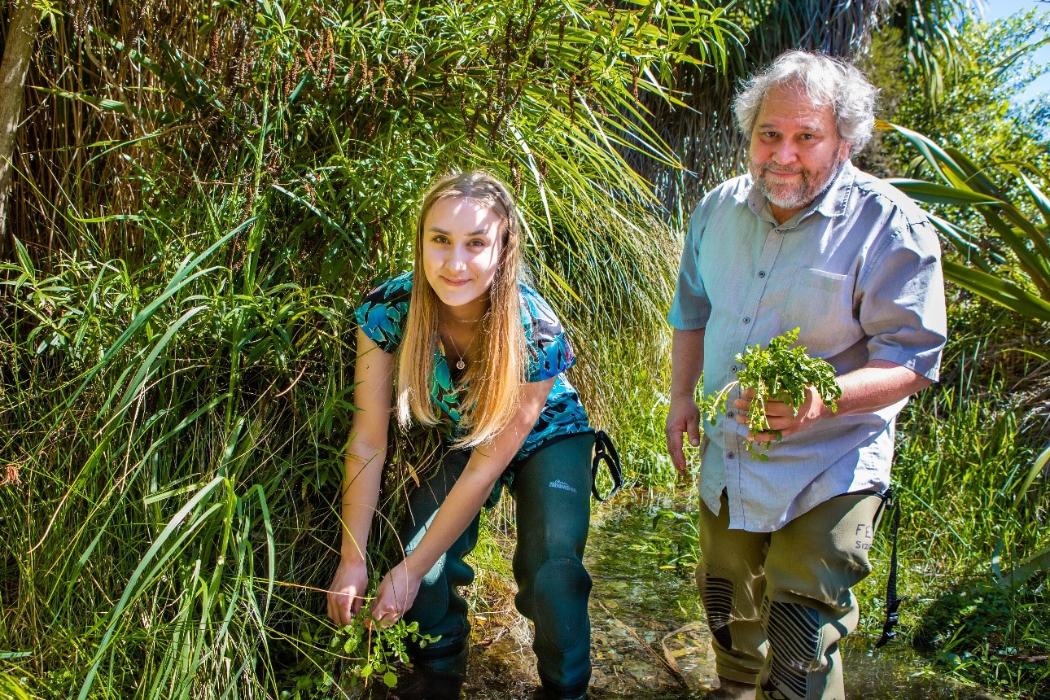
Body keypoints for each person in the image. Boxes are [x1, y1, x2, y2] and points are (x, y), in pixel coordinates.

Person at [665, 51, 947, 700]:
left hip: (833, 460)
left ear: (845, 142)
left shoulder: (893, 226)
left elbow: (914, 359)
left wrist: (824, 397)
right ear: (749, 133)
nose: (782, 156)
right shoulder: (716, 210)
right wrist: (682, 398)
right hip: (732, 449)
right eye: (769, 134)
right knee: (726, 603)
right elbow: (692, 311)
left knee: (798, 632)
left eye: (806, 137)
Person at [327, 171, 596, 700]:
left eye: (476, 243)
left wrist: (408, 569)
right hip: (464, 437)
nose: (455, 263)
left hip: (547, 434)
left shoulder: (536, 329)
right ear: (420, 241)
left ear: (503, 248)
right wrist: (353, 555)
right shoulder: (388, 312)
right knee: (424, 579)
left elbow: (486, 468)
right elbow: (367, 441)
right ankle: (439, 678)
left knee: (553, 571)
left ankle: (566, 689)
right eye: (441, 240)